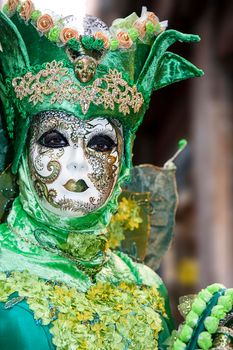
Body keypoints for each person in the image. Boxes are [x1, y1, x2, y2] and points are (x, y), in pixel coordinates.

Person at [0, 1, 232, 349]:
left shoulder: (146, 286)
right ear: (21, 151)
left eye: (101, 144)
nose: (78, 162)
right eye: (54, 139)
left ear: (123, 161)